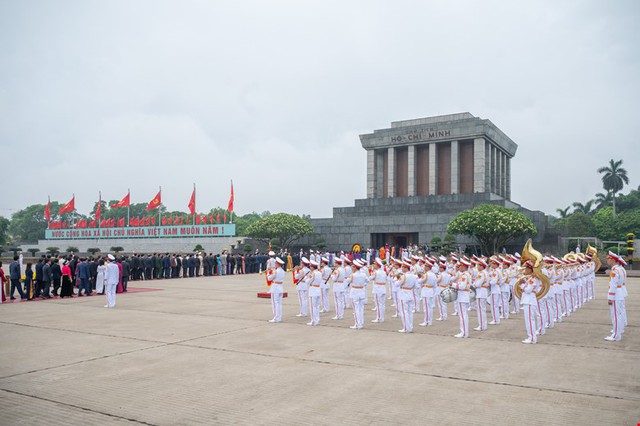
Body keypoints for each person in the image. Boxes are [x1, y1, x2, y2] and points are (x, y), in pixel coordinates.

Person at [605, 251, 627, 341]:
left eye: (608, 259)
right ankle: (619, 330)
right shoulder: (621, 269)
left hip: (616, 294)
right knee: (620, 314)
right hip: (620, 291)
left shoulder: (614, 270)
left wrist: (610, 297)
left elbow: (613, 285)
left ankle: (615, 336)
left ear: (613, 260)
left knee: (616, 315)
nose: (607, 261)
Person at [518, 260, 539, 344]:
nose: (525, 270)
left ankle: (532, 338)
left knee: (530, 320)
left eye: (527, 268)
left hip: (530, 300)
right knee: (528, 320)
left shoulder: (533, 279)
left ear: (531, 269)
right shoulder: (529, 278)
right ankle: (531, 336)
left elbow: (528, 290)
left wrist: (521, 284)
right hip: (528, 300)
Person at [452, 259, 472, 338]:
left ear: (464, 267)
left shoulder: (464, 275)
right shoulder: (467, 275)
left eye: (461, 266)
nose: (459, 267)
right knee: (464, 315)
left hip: (462, 296)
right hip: (464, 296)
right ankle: (464, 332)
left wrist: (453, 285)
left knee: (463, 315)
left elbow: (462, 286)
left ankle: (463, 332)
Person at [397, 261, 416, 333]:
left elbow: (396, 284)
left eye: (403, 267)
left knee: (404, 312)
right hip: (410, 293)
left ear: (406, 268)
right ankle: (410, 327)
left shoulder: (403, 276)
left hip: (403, 294)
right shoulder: (414, 276)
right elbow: (416, 286)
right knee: (410, 312)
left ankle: (406, 328)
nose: (402, 268)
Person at [348, 260, 368, 329]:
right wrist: (362, 284)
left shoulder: (353, 275)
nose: (352, 268)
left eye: (353, 267)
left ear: (355, 268)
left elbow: (348, 281)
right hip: (361, 291)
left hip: (354, 292)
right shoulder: (363, 274)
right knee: (361, 309)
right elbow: (367, 281)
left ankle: (357, 324)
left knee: (356, 309)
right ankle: (361, 323)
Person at [472, 258, 489, 332]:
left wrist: (473, 285)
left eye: (478, 265)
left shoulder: (482, 274)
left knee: (480, 310)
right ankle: (483, 325)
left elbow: (478, 284)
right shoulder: (485, 273)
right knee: (482, 309)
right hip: (483, 291)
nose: (477, 267)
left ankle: (482, 325)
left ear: (482, 266)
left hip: (481, 292)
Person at [267, 257, 286, 323]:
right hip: (280, 287)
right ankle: (279, 317)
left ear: (278, 264)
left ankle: (275, 318)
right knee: (279, 304)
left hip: (275, 287)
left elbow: (269, 278)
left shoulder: (275, 271)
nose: (275, 264)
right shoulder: (283, 271)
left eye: (275, 263)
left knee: (275, 303)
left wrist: (268, 273)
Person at [305, 260, 322, 326]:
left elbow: (307, 282)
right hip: (318, 289)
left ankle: (313, 321)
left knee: (312, 306)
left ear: (312, 267)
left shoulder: (313, 274)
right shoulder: (319, 273)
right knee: (317, 307)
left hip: (313, 290)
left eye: (310, 266)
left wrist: (306, 277)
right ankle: (317, 320)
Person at [371, 259, 387, 323]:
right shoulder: (384, 272)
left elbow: (372, 278)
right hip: (383, 288)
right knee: (382, 304)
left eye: (374, 264)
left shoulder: (376, 272)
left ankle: (379, 318)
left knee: (378, 304)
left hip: (377, 288)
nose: (373, 265)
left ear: (377, 265)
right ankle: (382, 317)